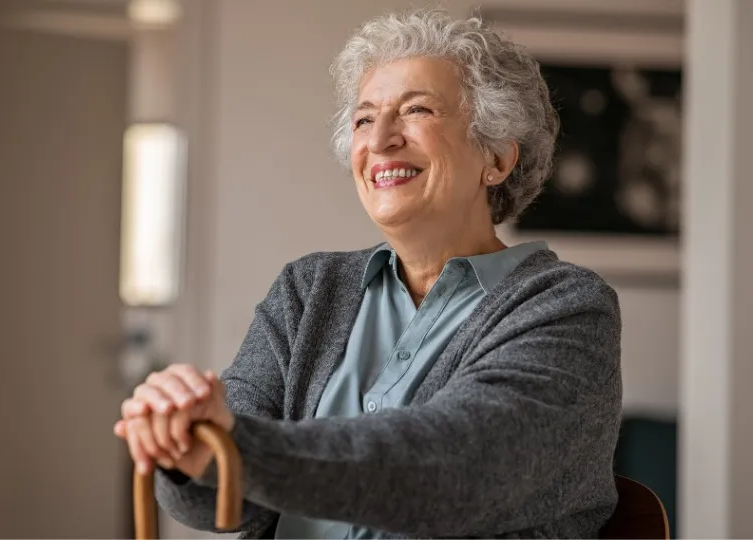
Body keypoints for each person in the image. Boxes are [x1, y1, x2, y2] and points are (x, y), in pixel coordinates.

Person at [114, 8, 621, 539]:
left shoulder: (566, 306)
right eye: (363, 118)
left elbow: (457, 470)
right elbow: (218, 504)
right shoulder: (308, 291)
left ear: (496, 157)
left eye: (417, 110)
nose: (379, 140)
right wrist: (183, 436)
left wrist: (234, 445)